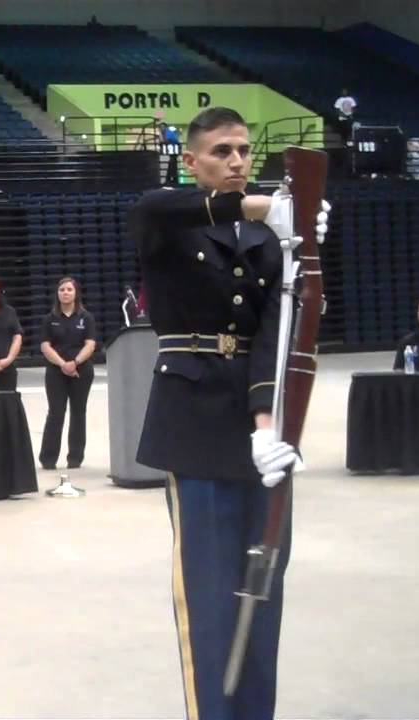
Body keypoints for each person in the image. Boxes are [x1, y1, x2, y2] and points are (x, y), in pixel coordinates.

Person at [130, 106, 330, 720]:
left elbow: (280, 326)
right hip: (192, 422)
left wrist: (268, 422)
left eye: (244, 150)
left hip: (258, 428)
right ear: (191, 161)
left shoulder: (273, 241)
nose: (237, 161)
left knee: (262, 594)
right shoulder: (172, 218)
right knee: (210, 603)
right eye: (221, 151)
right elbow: (149, 210)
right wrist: (265, 207)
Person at [37, 276, 97, 486]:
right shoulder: (50, 318)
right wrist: (63, 364)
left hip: (82, 371)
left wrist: (75, 362)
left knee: (78, 413)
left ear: (75, 293)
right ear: (58, 294)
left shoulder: (86, 318)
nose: (65, 293)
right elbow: (45, 346)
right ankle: (48, 458)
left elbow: (90, 344)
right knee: (56, 413)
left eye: (69, 289)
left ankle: (75, 458)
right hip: (56, 371)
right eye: (62, 289)